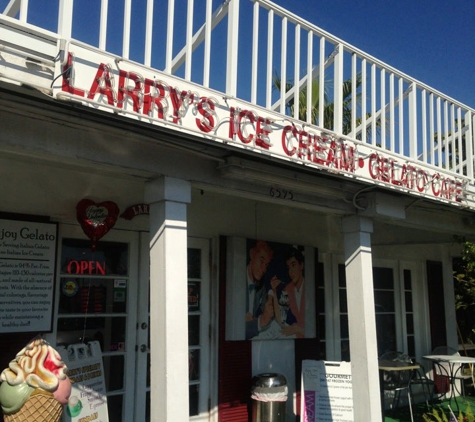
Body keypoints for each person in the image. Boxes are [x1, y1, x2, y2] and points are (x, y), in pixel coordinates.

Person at [270, 247, 305, 338]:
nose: (291, 271)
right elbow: (279, 319)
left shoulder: (309, 288)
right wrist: (274, 291)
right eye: (289, 267)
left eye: (293, 265)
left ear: (301, 265)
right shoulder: (289, 288)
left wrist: (297, 329)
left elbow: (316, 330)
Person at [245, 240, 274, 339]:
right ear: (252, 255)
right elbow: (236, 330)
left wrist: (253, 321)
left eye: (266, 265)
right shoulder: (236, 282)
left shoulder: (261, 286)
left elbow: (269, 313)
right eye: (261, 261)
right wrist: (260, 321)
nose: (264, 269)